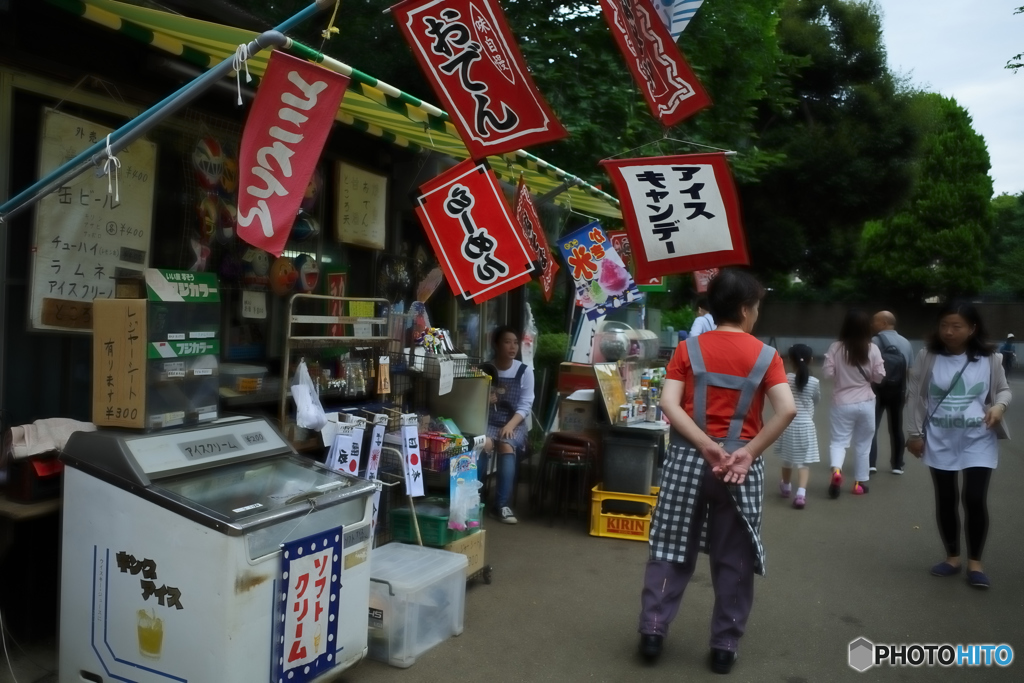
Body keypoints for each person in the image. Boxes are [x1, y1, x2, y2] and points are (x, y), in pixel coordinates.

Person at [637, 269, 796, 674]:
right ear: (745, 310)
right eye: (756, 306)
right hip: (741, 469)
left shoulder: (688, 350)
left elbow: (670, 405)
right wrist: (746, 452)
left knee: (671, 545)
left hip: (690, 461)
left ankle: (653, 631)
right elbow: (787, 409)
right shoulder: (767, 356)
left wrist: (705, 445)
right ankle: (724, 645)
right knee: (734, 555)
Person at [907, 303, 1010, 589]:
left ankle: (975, 563)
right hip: (940, 438)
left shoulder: (991, 359)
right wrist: (914, 433)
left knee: (975, 499)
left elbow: (1003, 390)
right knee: (946, 498)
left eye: (957, 326)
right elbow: (915, 395)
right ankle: (952, 557)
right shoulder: (927, 356)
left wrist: (1000, 406)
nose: (949, 332)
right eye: (944, 326)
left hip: (978, 438)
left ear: (972, 329)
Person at [824, 309, 885, 498]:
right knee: (863, 444)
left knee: (839, 442)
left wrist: (842, 376)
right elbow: (880, 377)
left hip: (842, 402)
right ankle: (859, 484)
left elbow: (827, 374)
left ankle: (836, 471)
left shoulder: (836, 347)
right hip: (866, 402)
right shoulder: (873, 348)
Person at [481, 326, 535, 525]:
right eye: (507, 342)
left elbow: (526, 404)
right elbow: (473, 400)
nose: (512, 347)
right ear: (496, 344)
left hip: (515, 422)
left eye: (515, 342)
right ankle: (474, 498)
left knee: (506, 443)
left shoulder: (524, 371)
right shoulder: (485, 369)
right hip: (488, 421)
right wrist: (484, 399)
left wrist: (511, 425)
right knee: (482, 443)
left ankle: (501, 505)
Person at [868, 311, 914, 475]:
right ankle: (897, 465)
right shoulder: (906, 343)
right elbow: (910, 370)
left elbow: (869, 367)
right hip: (898, 390)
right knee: (896, 428)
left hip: (877, 389)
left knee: (872, 426)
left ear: (884, 322)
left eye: (875, 321)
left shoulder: (874, 341)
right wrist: (908, 391)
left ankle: (871, 463)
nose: (872, 324)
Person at [776, 344, 820, 510]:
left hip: (788, 424)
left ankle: (786, 486)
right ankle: (801, 493)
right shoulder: (814, 382)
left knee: (787, 458)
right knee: (803, 462)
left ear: (789, 359)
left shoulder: (785, 378)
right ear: (811, 360)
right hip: (806, 425)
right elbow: (816, 399)